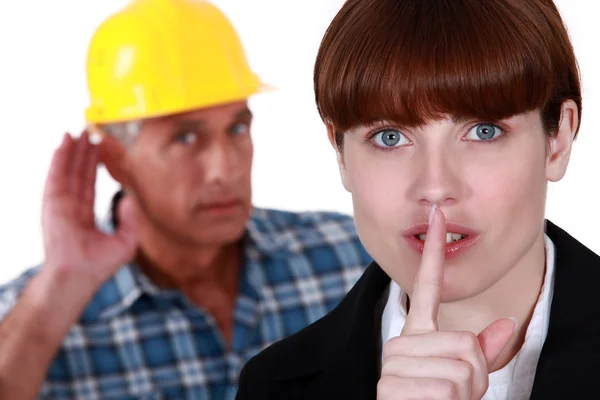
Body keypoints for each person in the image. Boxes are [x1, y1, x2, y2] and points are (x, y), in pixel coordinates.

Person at [0, 1, 371, 399]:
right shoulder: (40, 318)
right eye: (186, 137)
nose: (224, 168)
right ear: (115, 160)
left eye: (236, 128)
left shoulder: (353, 254)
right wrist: (59, 288)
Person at [235, 0, 600, 399]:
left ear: (558, 140)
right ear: (341, 154)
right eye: (390, 137)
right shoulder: (272, 385)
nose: (435, 186)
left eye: (483, 131)